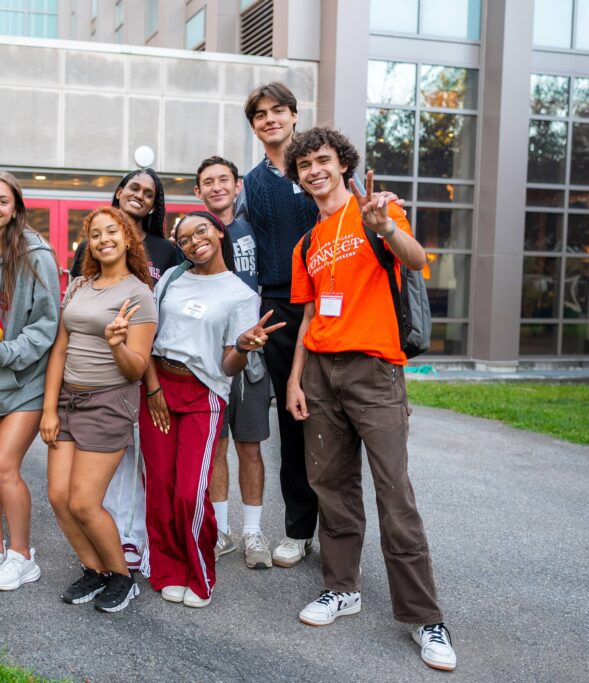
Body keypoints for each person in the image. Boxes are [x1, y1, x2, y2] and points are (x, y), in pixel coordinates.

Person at [285, 127, 457, 672]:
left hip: (374, 369)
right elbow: (309, 316)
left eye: (323, 160)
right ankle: (342, 588)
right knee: (331, 487)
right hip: (320, 373)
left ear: (342, 164)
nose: (314, 170)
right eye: (305, 164)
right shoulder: (306, 244)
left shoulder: (374, 212)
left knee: (394, 493)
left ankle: (425, 617)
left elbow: (415, 259)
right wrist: (295, 380)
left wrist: (385, 226)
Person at [141, 211, 283, 608]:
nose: (193, 241)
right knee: (161, 489)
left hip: (202, 393)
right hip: (157, 388)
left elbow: (227, 366)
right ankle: (167, 569)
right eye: (183, 239)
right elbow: (150, 338)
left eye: (200, 230)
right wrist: (152, 389)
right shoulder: (170, 279)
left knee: (189, 493)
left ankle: (198, 574)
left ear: (218, 232)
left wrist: (242, 347)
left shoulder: (241, 294)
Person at [41, 207, 157, 613]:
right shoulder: (79, 287)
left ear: (127, 238)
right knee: (58, 496)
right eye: (95, 234)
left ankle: (123, 578)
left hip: (108, 403)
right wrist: (49, 409)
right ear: (87, 243)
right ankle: (95, 570)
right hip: (68, 399)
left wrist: (116, 345)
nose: (104, 239)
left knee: (85, 503)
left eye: (112, 231)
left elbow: (137, 368)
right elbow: (60, 349)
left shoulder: (139, 293)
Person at [72, 168, 184, 571]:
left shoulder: (167, 251)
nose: (140, 196)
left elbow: (163, 321)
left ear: (155, 204)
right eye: (133, 188)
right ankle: (112, 533)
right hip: (99, 371)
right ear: (118, 194)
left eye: (149, 193)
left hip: (145, 365)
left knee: (143, 457)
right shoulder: (91, 246)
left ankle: (137, 538)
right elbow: (76, 314)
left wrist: (153, 385)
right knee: (106, 460)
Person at [0, 171, 61, 591]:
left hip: (24, 380)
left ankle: (22, 555)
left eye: (3, 201)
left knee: (3, 465)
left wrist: (3, 352)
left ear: (16, 208)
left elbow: (46, 325)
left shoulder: (36, 254)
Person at [235, 82, 321, 568]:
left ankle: (337, 528)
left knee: (334, 420)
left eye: (278, 111)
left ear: (293, 115)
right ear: (254, 125)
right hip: (279, 309)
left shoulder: (317, 168)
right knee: (293, 418)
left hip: (329, 304)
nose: (270, 119)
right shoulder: (251, 183)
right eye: (260, 114)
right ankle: (297, 529)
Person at [193, 156, 273, 569]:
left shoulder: (251, 231)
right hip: (209, 357)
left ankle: (253, 532)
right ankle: (221, 531)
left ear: (238, 185)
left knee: (250, 444)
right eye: (208, 182)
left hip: (251, 353)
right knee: (216, 445)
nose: (217, 186)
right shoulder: (194, 234)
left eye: (224, 179)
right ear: (198, 191)